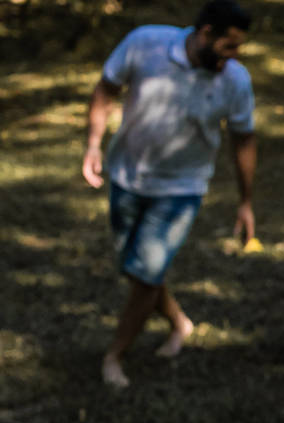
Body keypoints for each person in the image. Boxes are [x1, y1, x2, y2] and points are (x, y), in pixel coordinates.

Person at [82, 0, 257, 389]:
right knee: (138, 268)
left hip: (182, 188)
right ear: (205, 34)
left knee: (145, 275)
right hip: (126, 176)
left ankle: (115, 354)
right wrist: (94, 145)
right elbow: (106, 87)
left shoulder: (236, 80)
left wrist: (245, 202)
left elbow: (243, 139)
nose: (234, 56)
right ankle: (179, 322)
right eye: (229, 45)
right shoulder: (145, 43)